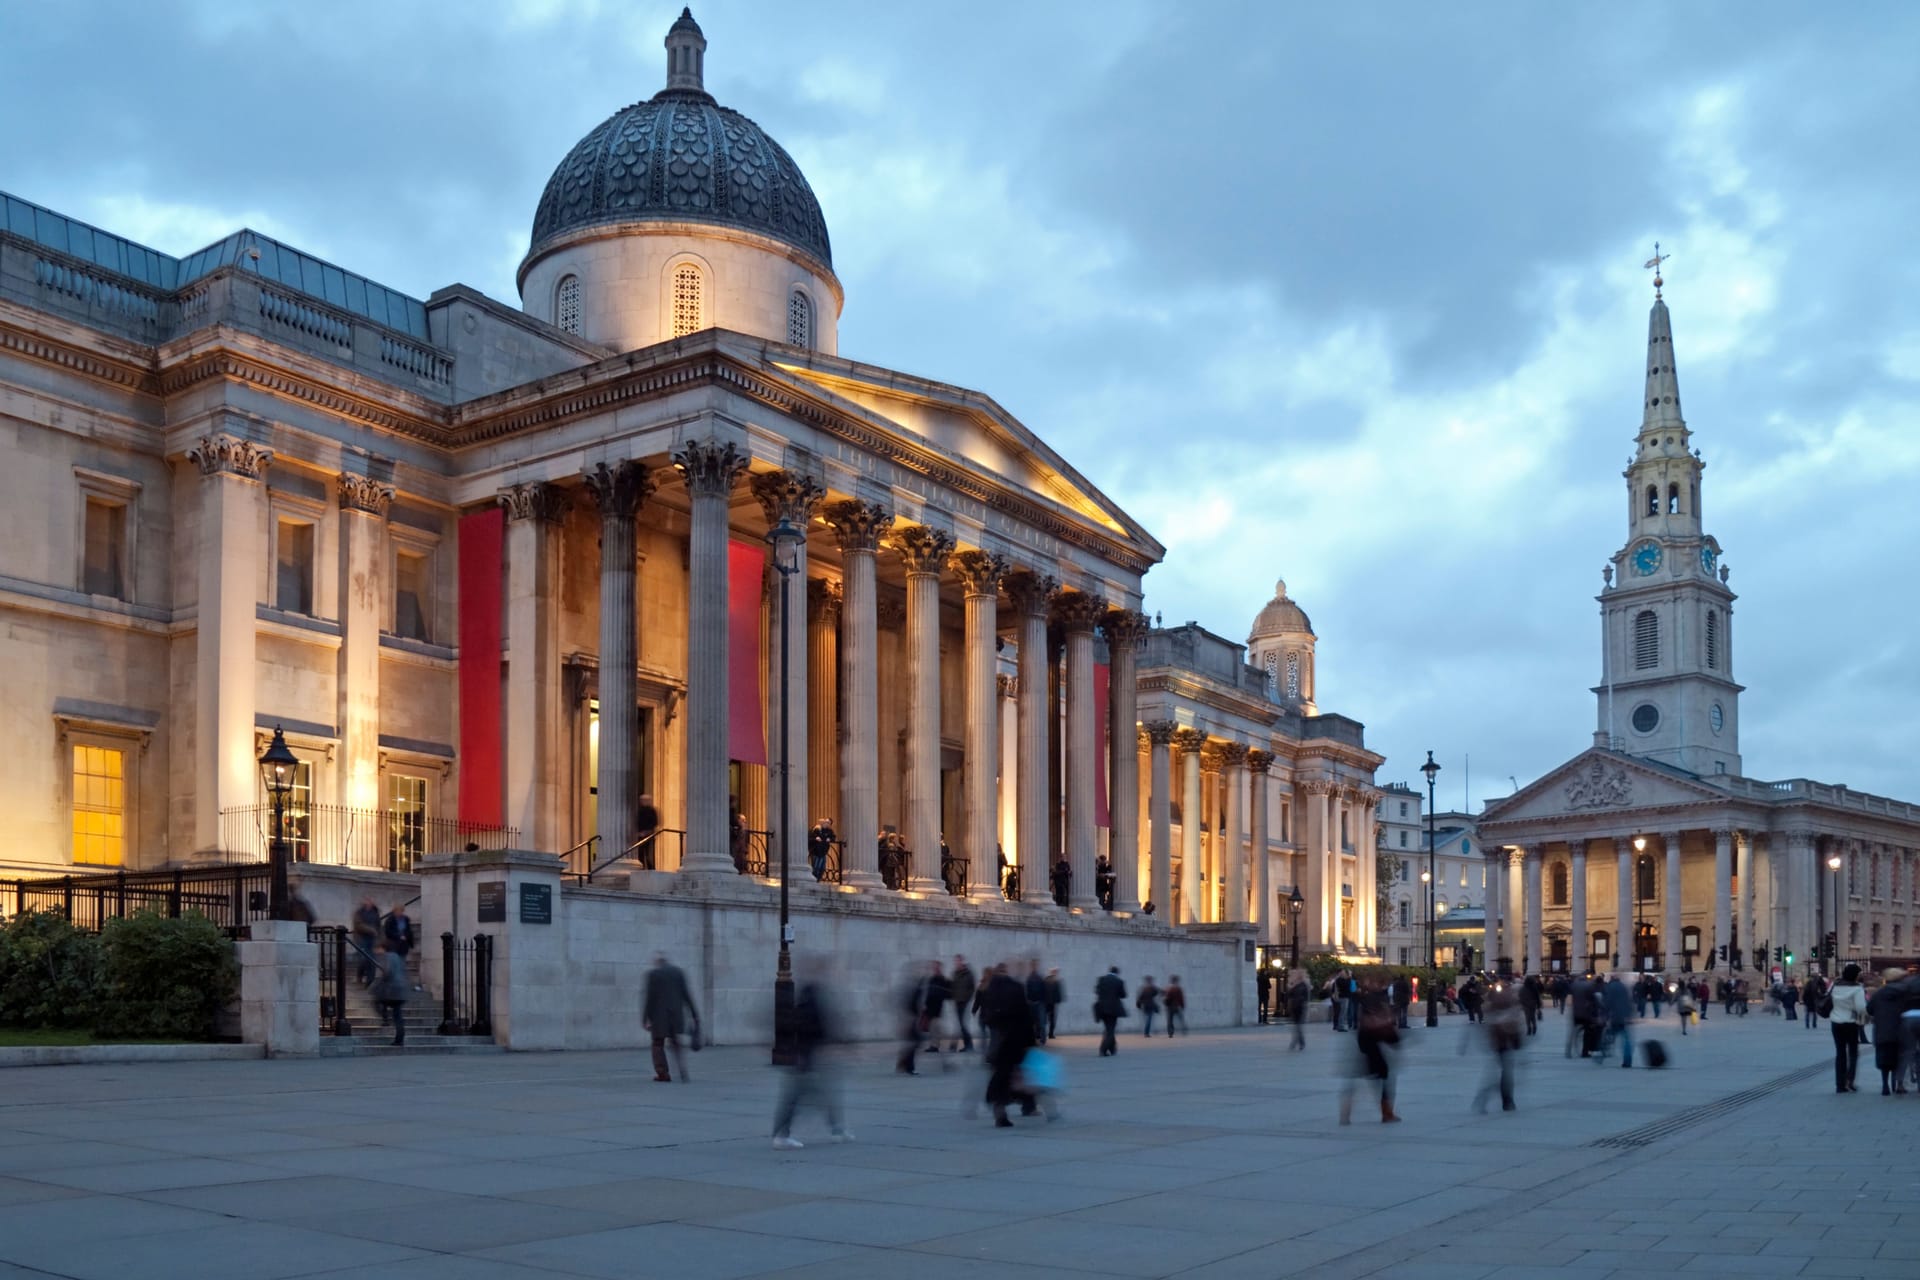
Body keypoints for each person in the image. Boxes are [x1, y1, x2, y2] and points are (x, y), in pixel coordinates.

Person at [771, 964, 851, 1149]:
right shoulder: (811, 998)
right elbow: (817, 1026)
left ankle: (837, 1129)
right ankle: (781, 1135)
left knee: (821, 1092)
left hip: (808, 1056)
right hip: (806, 1057)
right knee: (800, 1095)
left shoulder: (808, 996)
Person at [978, 963, 1039, 1127]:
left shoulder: (989, 990)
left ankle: (1000, 1109)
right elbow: (1025, 1017)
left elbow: (987, 1017)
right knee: (1022, 1075)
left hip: (998, 1043)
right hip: (1015, 1041)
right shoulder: (1016, 988)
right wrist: (1031, 1042)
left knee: (1001, 1076)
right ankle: (1028, 1106)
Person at [1340, 976, 1400, 1125]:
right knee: (1385, 1076)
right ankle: (1387, 1113)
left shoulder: (1366, 1001)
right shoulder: (1377, 1001)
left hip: (1364, 1046)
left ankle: (1345, 1111)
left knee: (1356, 1080)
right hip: (1372, 1048)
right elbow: (1382, 1027)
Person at [642, 952, 700, 1083]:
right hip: (676, 1016)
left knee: (658, 1044)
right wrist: (694, 1014)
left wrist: (645, 1018)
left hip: (659, 1017)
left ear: (658, 962)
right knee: (676, 1043)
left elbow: (649, 998)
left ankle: (663, 1073)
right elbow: (687, 995)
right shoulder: (678, 973)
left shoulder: (654, 974)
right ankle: (682, 1069)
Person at [1474, 982, 1525, 1113]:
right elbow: (1514, 1023)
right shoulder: (1511, 1003)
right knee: (1506, 1073)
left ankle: (1493, 1097)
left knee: (1503, 1072)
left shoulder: (1492, 1005)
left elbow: (1489, 1022)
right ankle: (1506, 1101)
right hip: (1506, 1042)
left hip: (1498, 1042)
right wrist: (1517, 1041)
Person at [1866, 968, 1914, 1096]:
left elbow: (1869, 1009)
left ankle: (1885, 1085)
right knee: (1900, 1056)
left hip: (1882, 1029)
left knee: (1883, 1056)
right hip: (1900, 1027)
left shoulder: (1878, 993)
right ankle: (1899, 1083)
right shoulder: (1905, 992)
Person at [1827, 963, 1868, 1093]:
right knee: (1853, 1053)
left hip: (1836, 1021)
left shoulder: (1835, 985)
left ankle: (1839, 1084)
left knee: (1840, 1053)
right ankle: (1850, 1081)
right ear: (1856, 975)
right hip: (1850, 1022)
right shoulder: (1857, 989)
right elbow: (1861, 1007)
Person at [369, 939, 409, 1047]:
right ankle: (399, 1038)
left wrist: (378, 982)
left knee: (376, 1001)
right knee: (398, 1015)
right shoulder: (397, 957)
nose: (376, 951)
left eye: (378, 948)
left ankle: (385, 1018)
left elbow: (388, 972)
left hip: (391, 989)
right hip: (400, 989)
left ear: (383, 948)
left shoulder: (387, 957)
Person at [1602, 972, 1635, 1068]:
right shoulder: (1624, 987)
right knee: (1626, 1040)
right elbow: (1629, 1001)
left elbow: (1608, 1002)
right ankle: (1627, 1060)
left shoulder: (1610, 988)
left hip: (1615, 1016)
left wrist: (1605, 1015)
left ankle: (1602, 1053)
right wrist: (1630, 1015)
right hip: (1624, 1016)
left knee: (1609, 1035)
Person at [1094, 966, 1127, 1056]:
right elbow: (1123, 995)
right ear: (1117, 973)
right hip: (1113, 1009)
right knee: (1110, 1029)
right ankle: (1103, 1049)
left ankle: (1112, 1049)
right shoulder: (1119, 981)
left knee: (1108, 1028)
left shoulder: (1101, 979)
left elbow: (1096, 991)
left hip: (1102, 1008)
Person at [350, 896, 381, 986]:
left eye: (370, 900)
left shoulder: (375, 912)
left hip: (372, 939)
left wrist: (380, 940)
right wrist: (371, 930)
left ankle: (370, 981)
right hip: (361, 938)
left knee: (372, 960)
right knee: (363, 959)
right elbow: (358, 925)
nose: (369, 902)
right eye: (367, 900)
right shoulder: (359, 912)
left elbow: (379, 926)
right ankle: (360, 975)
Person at [948, 955, 976, 1052]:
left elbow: (972, 988)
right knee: (960, 1023)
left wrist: (967, 998)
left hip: (964, 1001)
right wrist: (952, 996)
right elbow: (952, 986)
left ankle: (968, 1045)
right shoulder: (954, 973)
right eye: (955, 961)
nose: (956, 963)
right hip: (957, 1001)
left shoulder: (968, 973)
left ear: (962, 961)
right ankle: (964, 1045)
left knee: (962, 1024)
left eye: (958, 961)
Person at [1024, 961, 1049, 1045]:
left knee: (1040, 1023)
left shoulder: (1038, 978)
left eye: (1035, 965)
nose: (1034, 967)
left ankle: (1042, 1040)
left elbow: (1044, 991)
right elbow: (1027, 991)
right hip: (1033, 1003)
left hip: (1039, 1003)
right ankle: (1036, 1039)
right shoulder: (1030, 978)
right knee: (1034, 1023)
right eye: (1033, 965)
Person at [1287, 968, 1310, 1051]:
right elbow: (1289, 995)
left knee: (1298, 1027)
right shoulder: (1295, 984)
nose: (1294, 976)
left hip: (1300, 1007)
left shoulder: (1303, 985)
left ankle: (1298, 1043)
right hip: (1294, 1007)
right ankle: (1298, 1042)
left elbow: (1305, 998)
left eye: (1296, 974)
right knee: (1296, 1026)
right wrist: (1290, 986)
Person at [807, 817, 835, 882]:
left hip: (823, 851)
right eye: (825, 822)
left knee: (822, 868)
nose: (826, 824)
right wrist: (815, 838)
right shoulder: (815, 829)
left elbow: (833, 837)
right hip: (815, 851)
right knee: (816, 867)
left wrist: (830, 839)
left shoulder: (829, 831)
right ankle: (814, 880)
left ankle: (818, 880)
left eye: (828, 823)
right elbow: (810, 837)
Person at [1043, 968, 1064, 1040]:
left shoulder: (1045, 980)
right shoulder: (1056, 981)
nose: (1056, 973)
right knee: (1051, 1020)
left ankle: (1045, 1034)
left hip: (1047, 1003)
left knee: (1045, 1019)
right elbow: (1059, 993)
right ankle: (1050, 1034)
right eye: (1055, 972)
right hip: (1051, 1004)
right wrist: (1058, 1000)